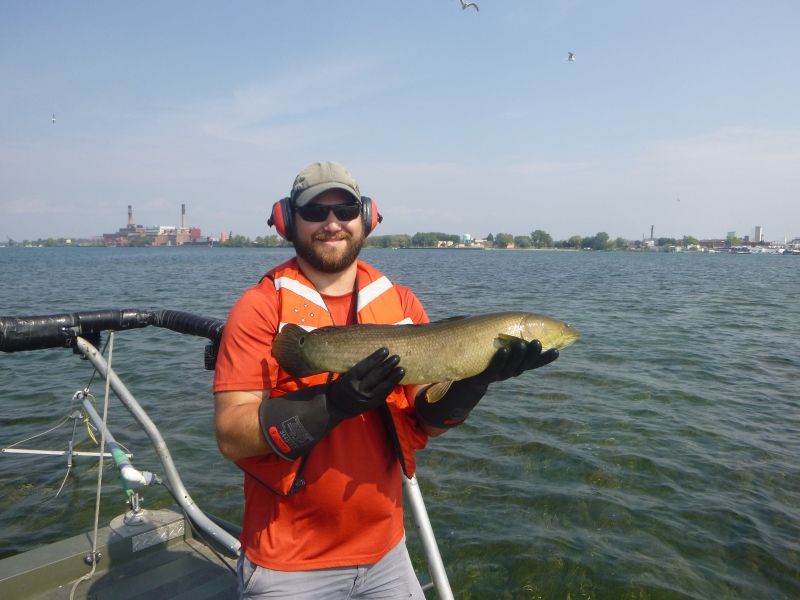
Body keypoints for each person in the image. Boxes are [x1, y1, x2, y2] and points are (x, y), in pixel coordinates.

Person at [213, 161, 558, 599]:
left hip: (387, 556)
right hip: (289, 566)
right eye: (315, 212)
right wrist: (331, 404)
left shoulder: (401, 303)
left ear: (367, 216)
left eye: (345, 208)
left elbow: (427, 421)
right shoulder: (260, 308)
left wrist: (474, 382)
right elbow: (231, 437)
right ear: (287, 220)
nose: (332, 222)